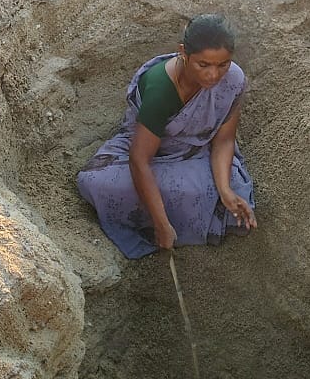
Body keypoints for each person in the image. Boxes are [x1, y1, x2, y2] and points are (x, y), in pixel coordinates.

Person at [76, 14, 257, 259]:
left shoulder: (233, 80)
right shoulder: (162, 89)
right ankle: (161, 224)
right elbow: (139, 159)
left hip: (194, 151)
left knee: (234, 191)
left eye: (222, 64)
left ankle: (176, 213)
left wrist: (225, 191)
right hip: (147, 152)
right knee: (96, 183)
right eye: (203, 65)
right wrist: (161, 224)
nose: (214, 75)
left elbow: (224, 140)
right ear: (183, 53)